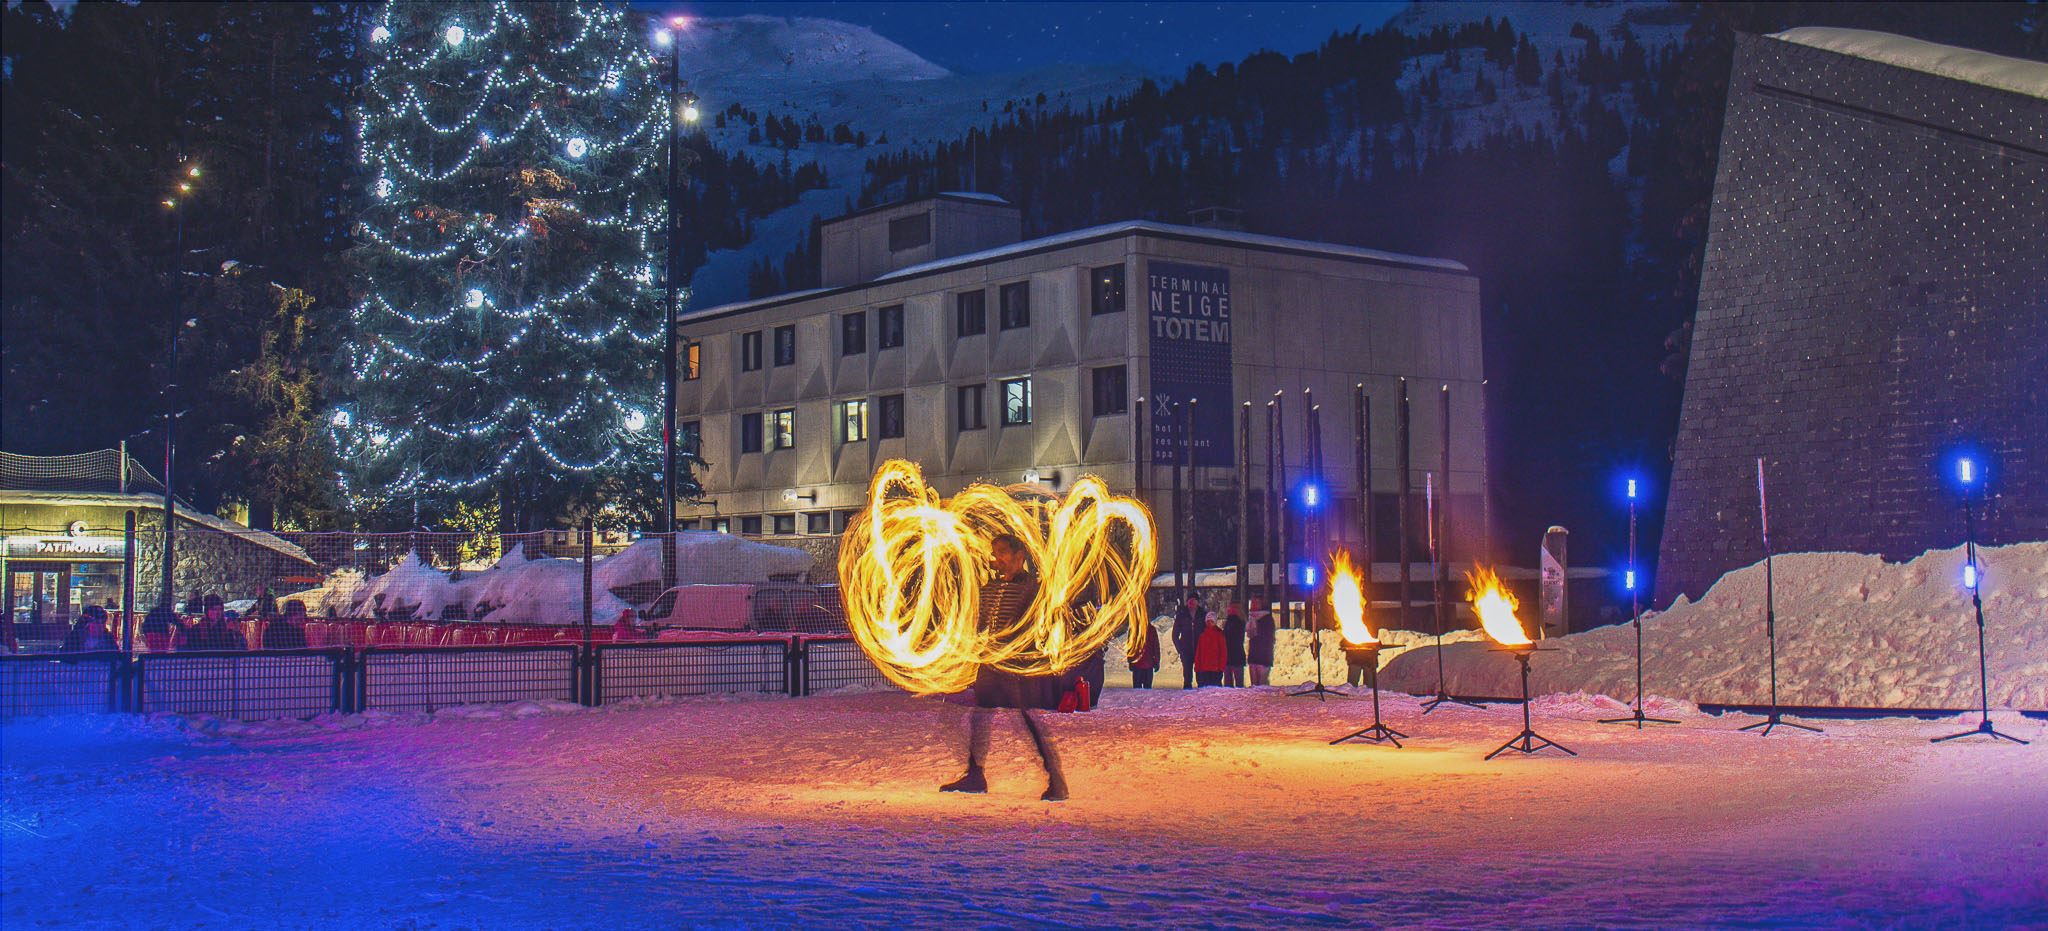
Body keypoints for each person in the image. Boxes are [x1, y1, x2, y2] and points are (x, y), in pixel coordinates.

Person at [940, 533, 1068, 801]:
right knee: (981, 714)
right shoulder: (991, 588)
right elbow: (984, 624)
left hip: (1015, 664)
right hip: (992, 661)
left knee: (1026, 717)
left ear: (1019, 557)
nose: (996, 557)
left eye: (1002, 551)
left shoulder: (1032, 588)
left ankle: (1056, 781)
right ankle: (975, 775)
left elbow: (1035, 626)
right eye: (994, 551)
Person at [175, 594, 247, 651]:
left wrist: (237, 633)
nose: (217, 612)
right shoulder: (197, 630)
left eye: (219, 609)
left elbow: (240, 649)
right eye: (213, 609)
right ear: (207, 611)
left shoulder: (227, 631)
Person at [1171, 595, 1202, 689]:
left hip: (1199, 649)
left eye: (1194, 601)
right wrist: (1180, 649)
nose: (1192, 603)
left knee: (1201, 677)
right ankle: (1187, 696)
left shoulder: (1202, 614)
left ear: (1198, 602)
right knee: (1187, 677)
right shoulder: (1182, 615)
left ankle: (1202, 696)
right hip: (1186, 650)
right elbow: (1175, 635)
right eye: (1190, 601)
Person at [1192, 611, 1227, 687]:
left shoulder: (1220, 634)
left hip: (1216, 670)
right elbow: (1199, 653)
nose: (1209, 623)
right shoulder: (1202, 634)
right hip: (1204, 669)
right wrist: (1197, 667)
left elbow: (1223, 652)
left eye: (1211, 621)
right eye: (1208, 621)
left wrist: (1221, 667)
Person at [1246, 599, 1276, 686]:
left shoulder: (1267, 619)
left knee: (1262, 687)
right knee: (1254, 686)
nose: (1253, 606)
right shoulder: (1251, 619)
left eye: (1255, 604)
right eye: (1252, 604)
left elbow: (1268, 639)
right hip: (1253, 657)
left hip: (1263, 658)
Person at [1128, 617, 1161, 689]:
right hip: (1147, 664)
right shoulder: (1151, 629)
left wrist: (1130, 660)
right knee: (1147, 689)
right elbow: (1156, 647)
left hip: (1139, 664)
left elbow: (1130, 647)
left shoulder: (1134, 629)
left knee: (1137, 690)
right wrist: (1156, 660)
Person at [1223, 602, 1248, 687]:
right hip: (1237, 654)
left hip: (1230, 654)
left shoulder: (1230, 622)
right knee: (1238, 682)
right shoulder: (1241, 621)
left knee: (1228, 682)